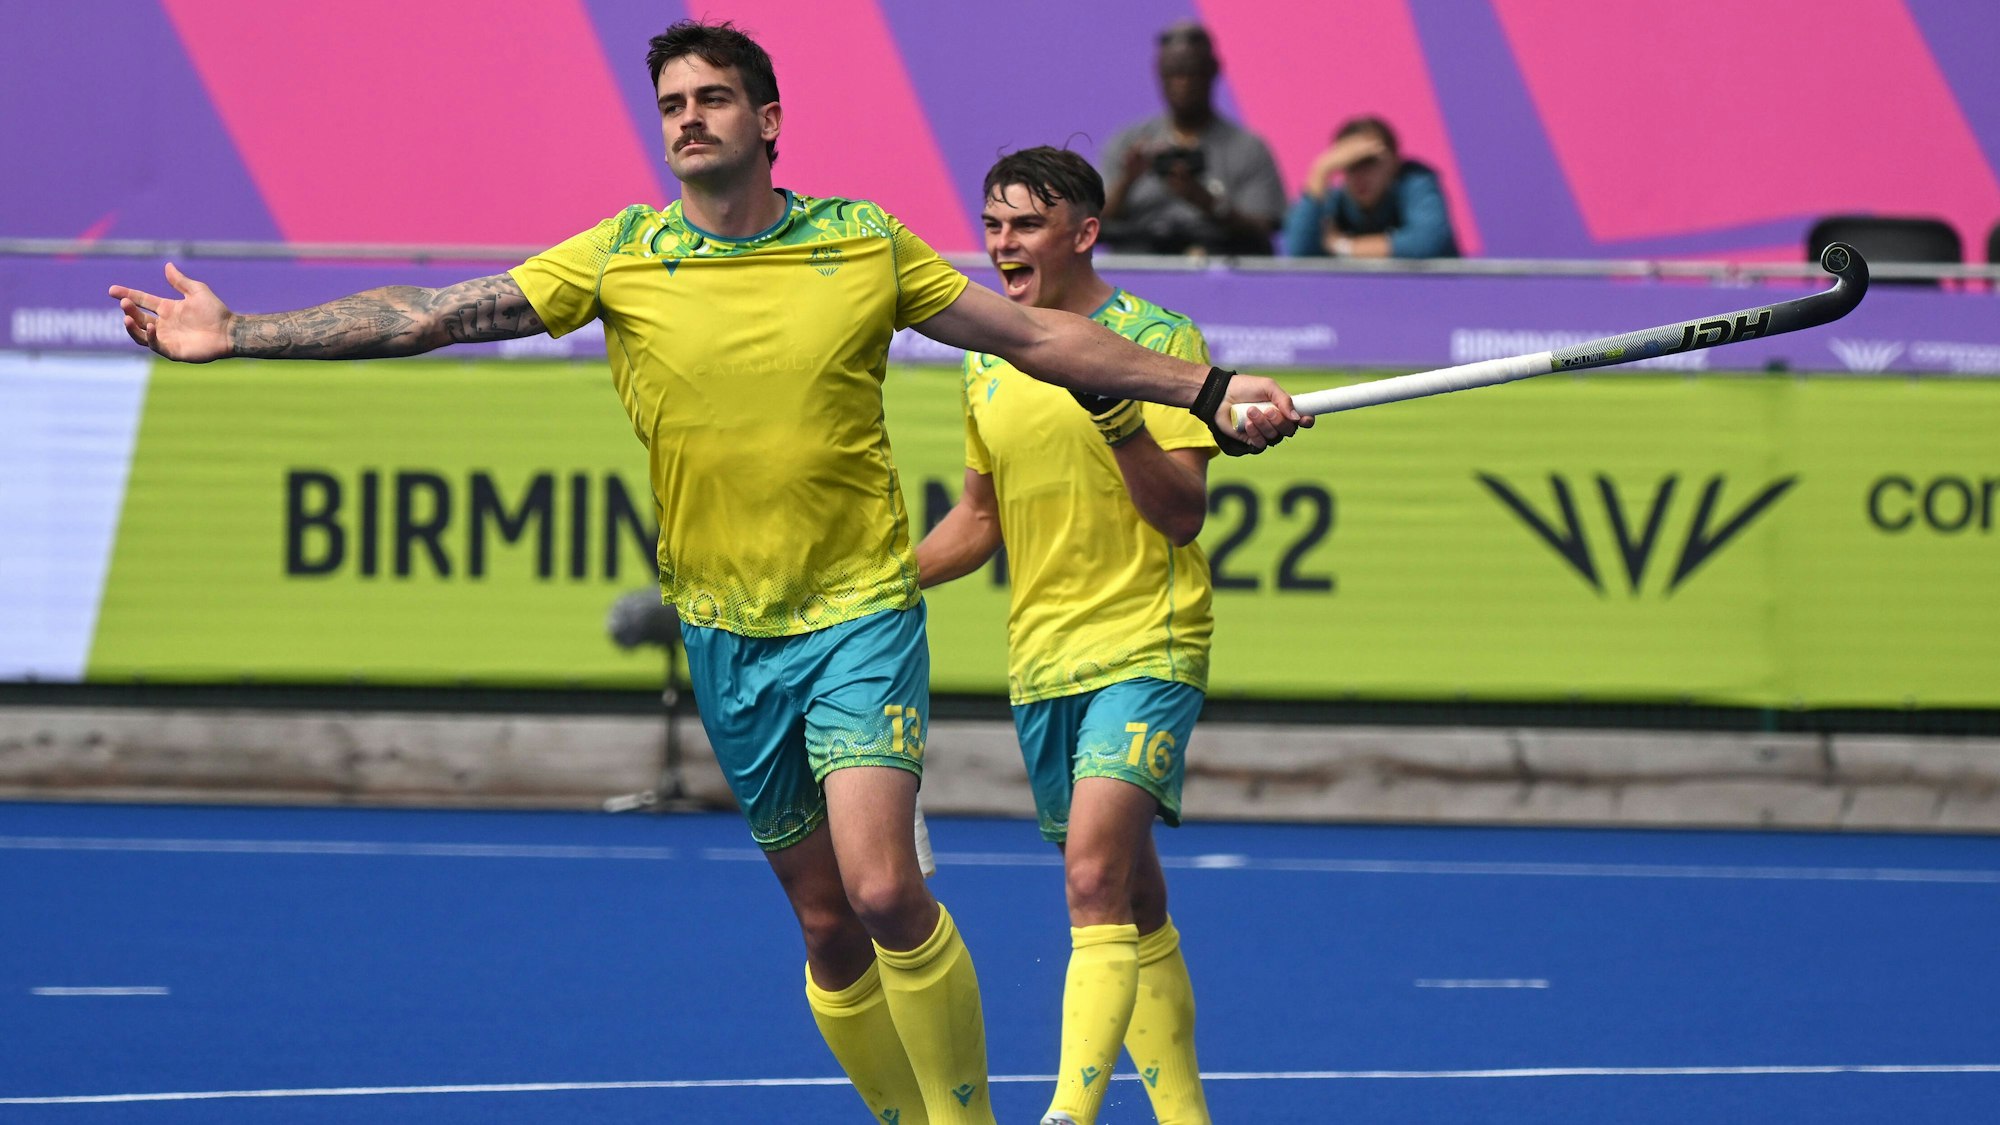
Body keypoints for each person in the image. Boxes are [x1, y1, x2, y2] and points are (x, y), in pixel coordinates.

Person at [107, 20, 1304, 1125]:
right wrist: (242, 333)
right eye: (673, 100)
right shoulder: (619, 255)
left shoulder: (861, 241)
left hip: (857, 617)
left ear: (768, 118)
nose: (689, 116)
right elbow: (433, 312)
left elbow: (1039, 336)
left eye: (716, 96)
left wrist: (1204, 390)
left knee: (888, 891)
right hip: (725, 631)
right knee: (827, 924)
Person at [917, 147, 1220, 1125]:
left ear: (1082, 233)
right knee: (1131, 897)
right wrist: (874, 580)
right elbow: (977, 520)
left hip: (1147, 641)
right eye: (992, 224)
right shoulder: (983, 360)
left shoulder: (1157, 340)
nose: (1001, 245)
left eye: (1024, 226)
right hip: (1042, 661)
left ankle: (1066, 1114)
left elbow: (1179, 514)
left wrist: (1121, 413)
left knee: (1091, 874)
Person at [1097, 22, 1287, 257]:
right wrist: (1127, 181)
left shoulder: (1248, 149)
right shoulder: (1128, 143)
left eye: (1191, 72)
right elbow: (1095, 223)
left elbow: (1264, 228)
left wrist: (1207, 202)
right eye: (1172, 74)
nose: (1182, 83)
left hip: (1221, 267)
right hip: (1139, 269)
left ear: (1213, 71)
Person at [1281, 115, 1461, 259]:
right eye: (1350, 165)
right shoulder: (1336, 199)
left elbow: (1427, 243)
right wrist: (1320, 171)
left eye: (1369, 162)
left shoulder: (1415, 182)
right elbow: (1299, 252)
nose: (1360, 175)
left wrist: (1344, 246)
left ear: (1395, 163)